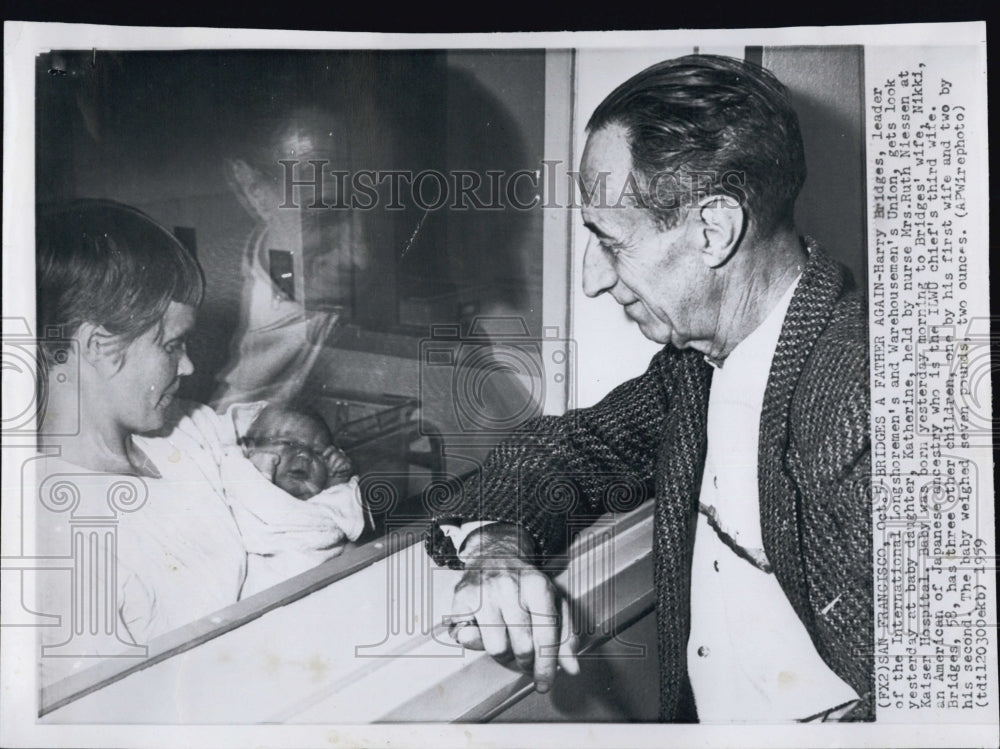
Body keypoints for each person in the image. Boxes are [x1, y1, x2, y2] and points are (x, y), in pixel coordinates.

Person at [425, 54, 872, 722]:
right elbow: (567, 451)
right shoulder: (696, 365)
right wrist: (496, 546)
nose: (592, 280)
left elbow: (946, 704)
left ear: (713, 230)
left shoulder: (869, 405)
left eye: (610, 240)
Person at [33, 200, 361, 683]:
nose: (187, 367)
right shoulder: (59, 539)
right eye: (171, 345)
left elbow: (268, 435)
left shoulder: (185, 431)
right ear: (98, 346)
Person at [241, 403, 355, 500]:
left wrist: (334, 484)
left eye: (318, 452)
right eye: (288, 443)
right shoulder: (233, 485)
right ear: (250, 448)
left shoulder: (318, 509)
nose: (305, 455)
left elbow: (327, 511)